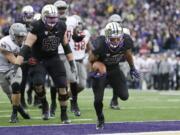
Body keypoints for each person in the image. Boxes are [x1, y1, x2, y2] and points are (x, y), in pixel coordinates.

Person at [15, 4, 76, 124]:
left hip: (54, 58)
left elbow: (66, 46)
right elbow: (26, 47)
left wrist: (72, 63)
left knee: (62, 85)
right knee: (37, 83)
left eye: (54, 18)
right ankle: (44, 104)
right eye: (49, 18)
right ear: (43, 17)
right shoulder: (37, 27)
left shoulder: (61, 26)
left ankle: (63, 113)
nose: (52, 20)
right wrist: (17, 63)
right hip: (39, 59)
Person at [89, 22, 140, 129]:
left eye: (118, 38)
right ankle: (100, 118)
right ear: (107, 37)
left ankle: (114, 99)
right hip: (101, 71)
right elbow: (90, 60)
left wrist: (132, 67)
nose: (116, 41)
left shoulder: (126, 40)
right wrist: (93, 70)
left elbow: (128, 54)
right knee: (98, 100)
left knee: (124, 96)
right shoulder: (100, 44)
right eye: (113, 39)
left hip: (114, 69)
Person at [0, 23, 30, 123]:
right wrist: (28, 61)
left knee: (16, 87)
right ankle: (21, 110)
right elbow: (13, 59)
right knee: (10, 95)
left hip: (15, 69)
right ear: (12, 35)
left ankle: (14, 115)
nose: (21, 38)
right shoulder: (4, 42)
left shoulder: (26, 41)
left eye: (22, 36)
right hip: (2, 70)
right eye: (18, 36)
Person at [100, 13, 131, 110]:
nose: (117, 24)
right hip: (109, 61)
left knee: (119, 83)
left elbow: (127, 47)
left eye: (118, 22)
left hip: (121, 60)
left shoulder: (125, 32)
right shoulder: (104, 32)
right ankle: (100, 101)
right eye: (115, 22)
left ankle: (114, 100)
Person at [18, 5, 35, 108]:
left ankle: (31, 92)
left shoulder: (36, 24)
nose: (28, 16)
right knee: (23, 79)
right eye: (26, 14)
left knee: (36, 78)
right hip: (23, 54)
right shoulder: (18, 25)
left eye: (30, 14)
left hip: (34, 53)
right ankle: (22, 99)